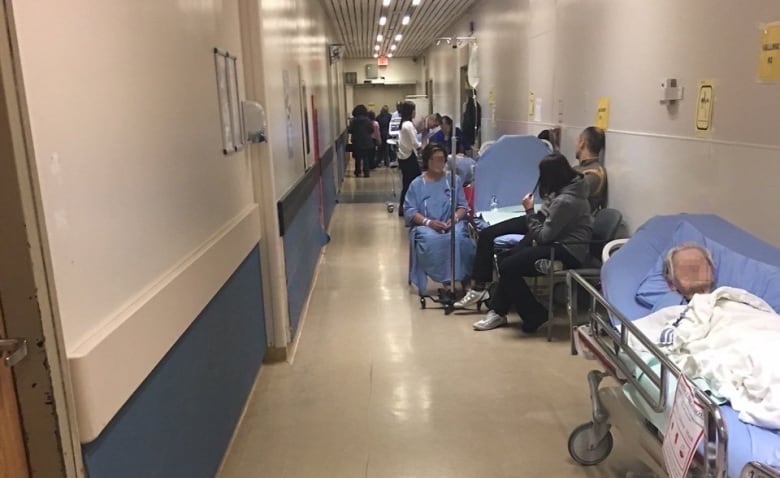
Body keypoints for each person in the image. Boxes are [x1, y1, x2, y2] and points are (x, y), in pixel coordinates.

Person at [471, 153, 593, 332]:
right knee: (507, 260)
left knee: (508, 266)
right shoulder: (571, 187)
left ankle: (533, 314)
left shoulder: (565, 200)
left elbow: (544, 236)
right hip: (559, 241)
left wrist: (529, 211)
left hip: (568, 250)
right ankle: (499, 310)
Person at [404, 144, 476, 294]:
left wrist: (455, 217)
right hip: (426, 226)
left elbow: (463, 206)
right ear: (427, 161)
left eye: (442, 160)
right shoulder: (417, 184)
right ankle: (446, 280)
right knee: (435, 240)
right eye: (436, 160)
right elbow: (410, 210)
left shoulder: (453, 181)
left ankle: (465, 280)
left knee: (460, 239)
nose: (439, 164)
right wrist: (428, 222)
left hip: (452, 223)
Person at [655, 242, 715, 311]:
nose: (694, 269)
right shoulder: (667, 308)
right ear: (671, 284)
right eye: (685, 267)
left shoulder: (727, 298)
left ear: (711, 272)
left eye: (699, 263)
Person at [574, 126, 608, 212]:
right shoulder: (578, 168)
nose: (575, 145)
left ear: (582, 143)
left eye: (577, 141)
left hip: (575, 222)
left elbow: (568, 196)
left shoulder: (594, 174)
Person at [397, 101, 422, 216]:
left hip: (403, 157)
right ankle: (408, 207)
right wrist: (423, 146)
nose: (415, 113)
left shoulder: (404, 124)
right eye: (414, 110)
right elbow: (415, 143)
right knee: (414, 183)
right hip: (409, 158)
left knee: (407, 183)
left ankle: (403, 207)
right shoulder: (408, 125)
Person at [348, 105, 375, 178]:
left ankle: (357, 171)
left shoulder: (354, 121)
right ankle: (366, 172)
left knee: (357, 158)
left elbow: (350, 130)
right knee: (365, 157)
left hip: (357, 142)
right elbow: (371, 130)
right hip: (366, 141)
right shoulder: (368, 120)